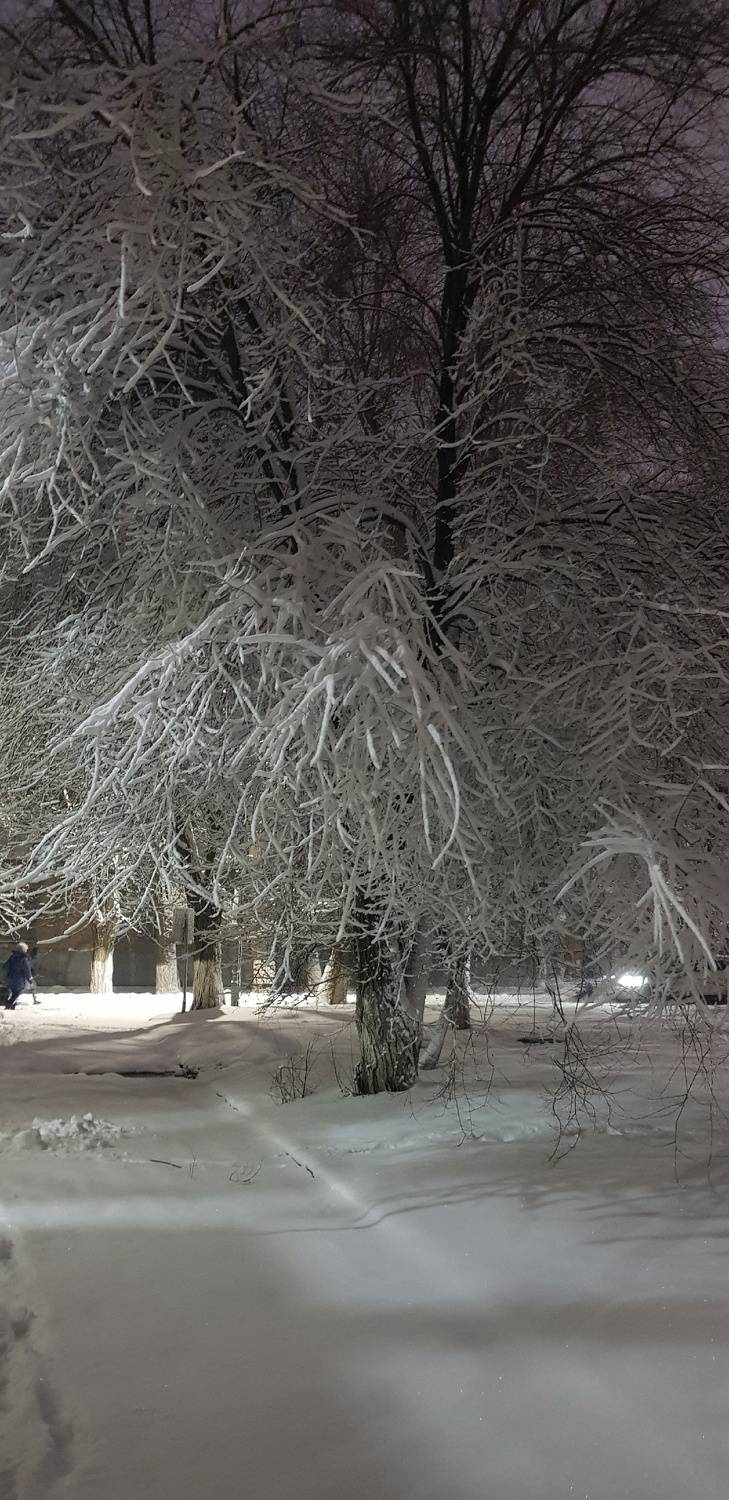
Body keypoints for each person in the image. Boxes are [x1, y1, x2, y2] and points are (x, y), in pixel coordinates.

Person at [4, 942, 34, 1010]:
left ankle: (12, 1007)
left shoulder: (12, 957)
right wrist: (30, 980)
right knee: (16, 993)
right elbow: (27, 970)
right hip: (19, 979)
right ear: (23, 950)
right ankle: (8, 1006)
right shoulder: (23, 959)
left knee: (13, 992)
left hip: (10, 977)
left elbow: (5, 966)